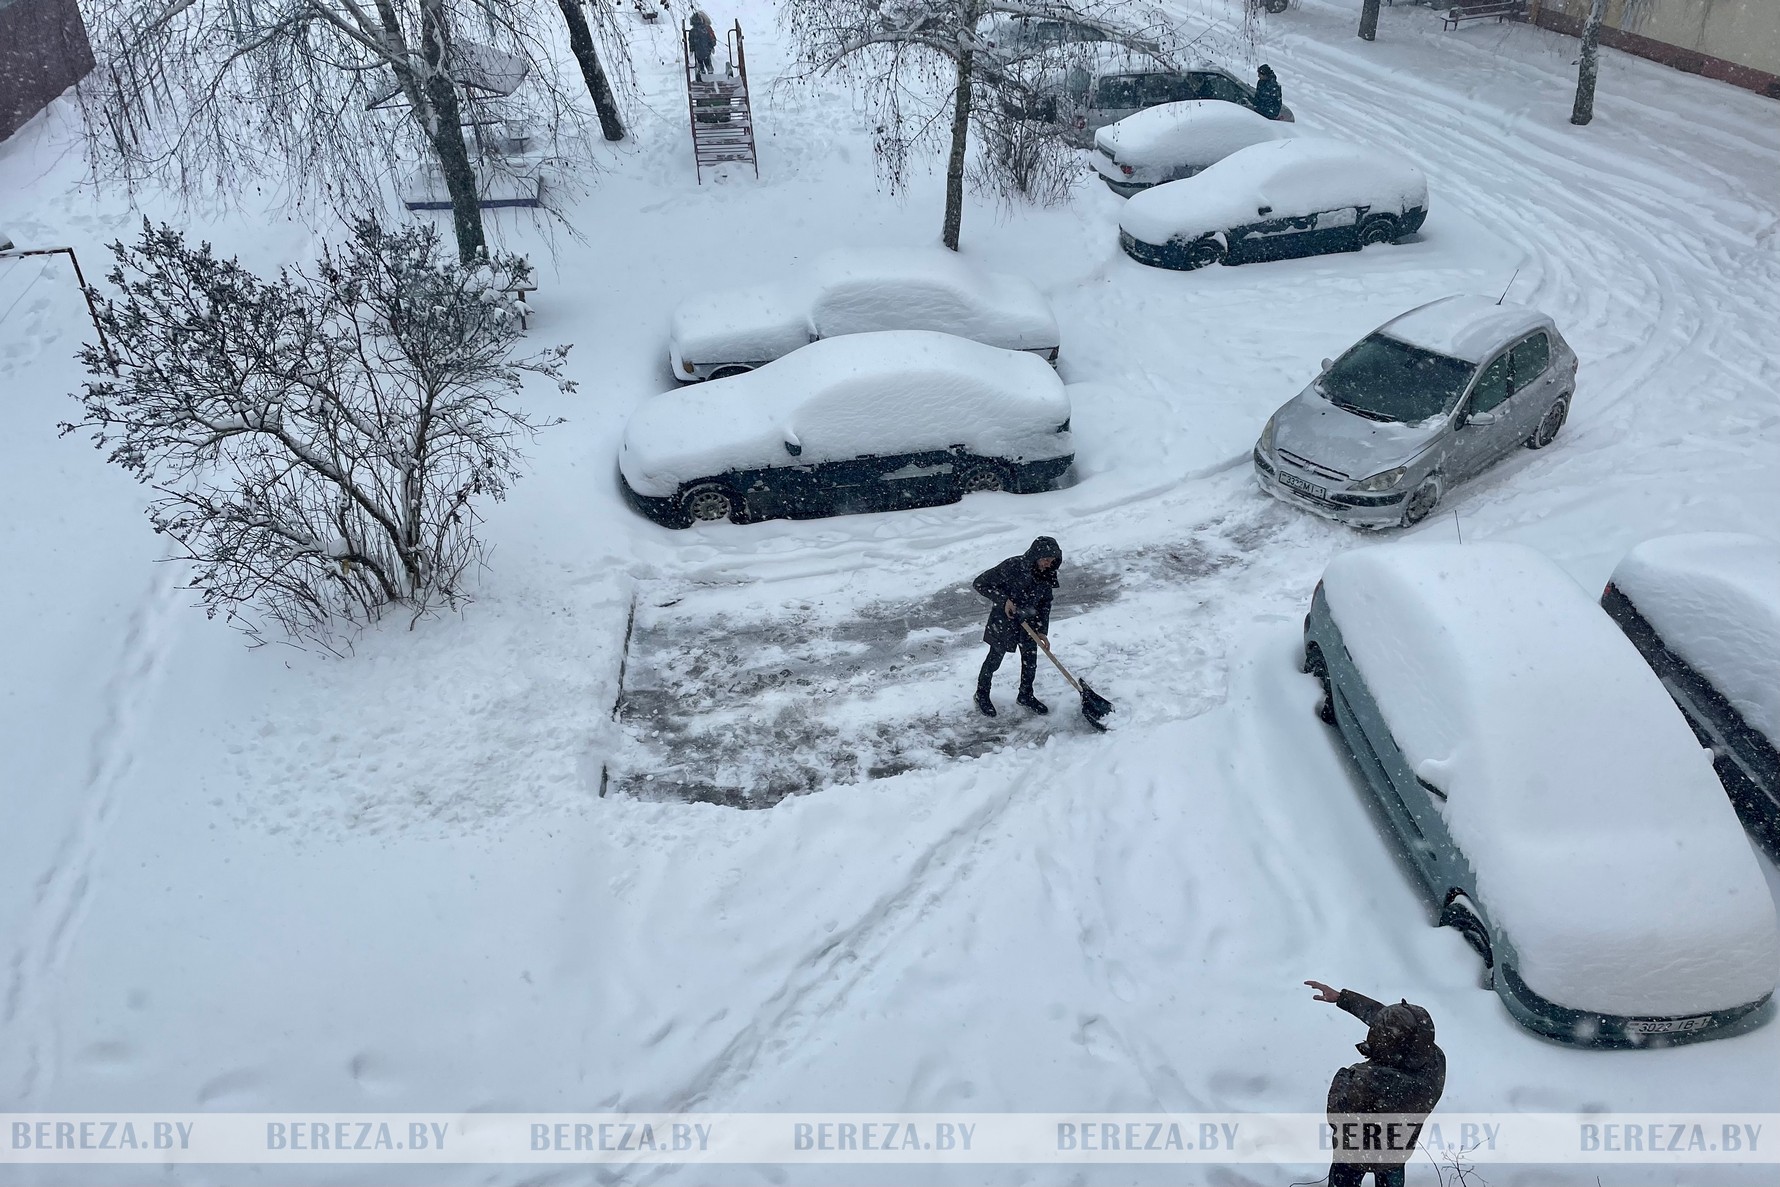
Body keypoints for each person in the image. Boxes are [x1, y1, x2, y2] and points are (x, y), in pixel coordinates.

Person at [1305, 981, 1446, 1187]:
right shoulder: (1434, 1060)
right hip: (1395, 1154)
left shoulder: (1369, 1079)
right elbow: (1395, 1028)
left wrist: (1343, 1076)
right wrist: (1343, 998)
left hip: (1353, 1154)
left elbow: (1336, 1115)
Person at [972, 537, 1063, 717]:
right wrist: (1004, 600)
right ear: (1036, 555)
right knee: (994, 660)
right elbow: (980, 583)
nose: (1048, 563)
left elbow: (1045, 604)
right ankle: (981, 694)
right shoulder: (1013, 566)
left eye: (1052, 560)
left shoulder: (1047, 573)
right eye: (1045, 558)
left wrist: (1042, 631)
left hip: (1029, 623)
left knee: (1030, 663)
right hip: (1004, 621)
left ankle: (1026, 695)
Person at [688, 11, 717, 80]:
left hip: (698, 51)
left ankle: (702, 73)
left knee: (700, 62)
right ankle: (710, 71)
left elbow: (691, 41)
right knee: (707, 61)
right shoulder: (706, 29)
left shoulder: (692, 31)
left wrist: (691, 49)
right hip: (706, 50)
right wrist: (712, 46)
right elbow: (711, 39)